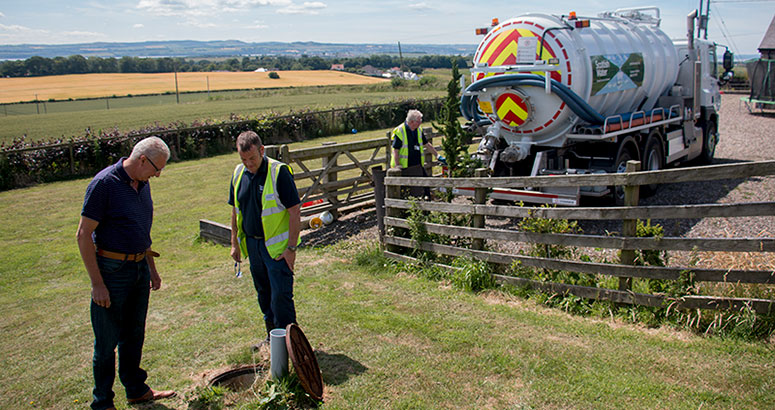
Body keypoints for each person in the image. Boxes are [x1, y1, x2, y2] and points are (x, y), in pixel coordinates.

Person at [76, 136, 175, 410]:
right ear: (142, 159)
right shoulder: (104, 185)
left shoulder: (143, 185)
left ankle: (136, 389)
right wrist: (97, 283)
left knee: (134, 334)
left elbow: (143, 229)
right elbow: (84, 235)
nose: (158, 174)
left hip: (139, 268)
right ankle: (103, 403)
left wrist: (151, 268)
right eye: (157, 168)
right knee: (107, 343)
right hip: (112, 272)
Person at [229, 131, 301, 349]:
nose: (248, 164)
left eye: (252, 158)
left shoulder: (278, 173)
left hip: (277, 249)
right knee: (264, 293)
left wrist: (291, 248)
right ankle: (272, 338)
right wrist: (234, 243)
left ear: (262, 150)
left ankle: (291, 344)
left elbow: (295, 212)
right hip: (253, 245)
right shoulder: (238, 174)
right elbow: (235, 211)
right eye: (243, 159)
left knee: (280, 296)